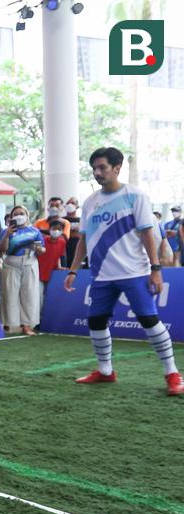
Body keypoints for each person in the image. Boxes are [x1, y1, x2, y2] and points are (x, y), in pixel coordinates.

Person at [65, 147, 183, 396]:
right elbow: (83, 241)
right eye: (94, 169)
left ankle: (172, 374)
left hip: (135, 273)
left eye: (102, 167)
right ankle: (105, 371)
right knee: (96, 322)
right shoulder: (90, 202)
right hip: (100, 276)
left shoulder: (135, 196)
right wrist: (73, 271)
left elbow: (147, 234)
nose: (97, 173)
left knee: (149, 321)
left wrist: (156, 269)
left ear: (117, 168)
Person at [0, 205, 44, 336]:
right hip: (11, 263)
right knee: (9, 294)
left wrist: (38, 249)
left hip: (30, 262)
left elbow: (42, 250)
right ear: (11, 217)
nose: (19, 215)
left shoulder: (35, 231)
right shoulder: (6, 231)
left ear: (27, 215)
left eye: (22, 213)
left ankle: (27, 326)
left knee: (29, 294)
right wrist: (7, 235)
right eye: (16, 214)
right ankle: (10, 325)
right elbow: (1, 249)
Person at [37, 217, 70, 314]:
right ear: (49, 229)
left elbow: (60, 255)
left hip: (52, 274)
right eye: (54, 228)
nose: (56, 231)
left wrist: (59, 266)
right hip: (39, 273)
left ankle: (44, 318)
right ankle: (37, 320)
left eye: (59, 229)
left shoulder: (62, 242)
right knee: (39, 297)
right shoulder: (42, 241)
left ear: (62, 231)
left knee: (48, 297)